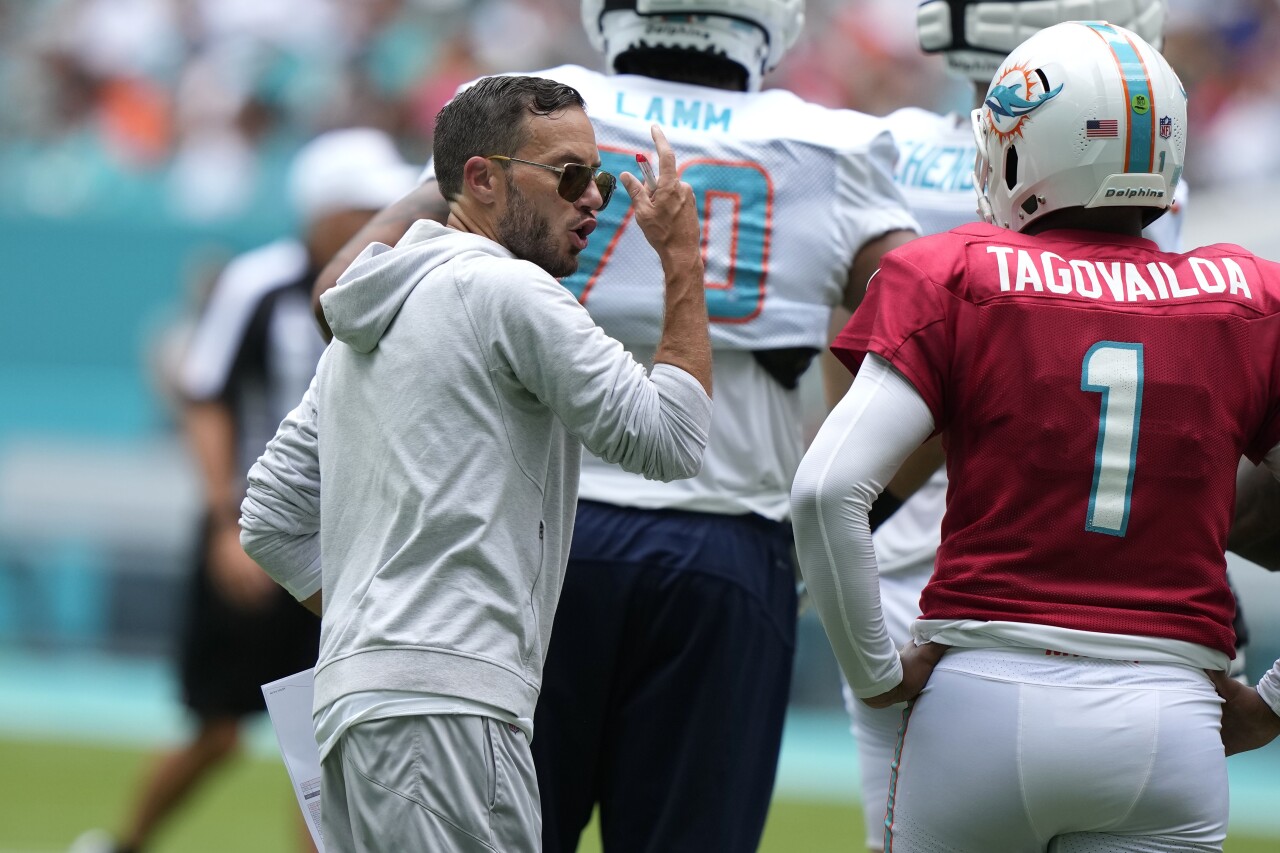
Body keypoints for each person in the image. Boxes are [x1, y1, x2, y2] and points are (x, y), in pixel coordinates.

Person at [308, 3, 920, 849]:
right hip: (727, 543)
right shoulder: (836, 146)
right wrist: (840, 515)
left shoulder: (534, 115)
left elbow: (346, 287)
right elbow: (938, 359)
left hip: (535, 539)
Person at [792, 21, 1280, 852]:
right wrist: (1274, 697)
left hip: (983, 691)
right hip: (1170, 714)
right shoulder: (1246, 297)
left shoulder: (956, 274)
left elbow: (825, 489)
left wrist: (876, 673)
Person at [238, 74, 715, 853]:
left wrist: (383, 625)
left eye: (595, 177)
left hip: (356, 709)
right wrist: (682, 262)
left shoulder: (372, 311)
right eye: (568, 175)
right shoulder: (511, 289)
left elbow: (270, 518)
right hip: (449, 712)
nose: (593, 198)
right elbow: (671, 439)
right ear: (482, 179)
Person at [68, 127, 418, 853]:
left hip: (350, 535)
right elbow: (206, 398)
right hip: (258, 528)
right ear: (324, 211)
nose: (382, 218)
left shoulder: (400, 280)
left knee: (334, 731)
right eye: (364, 205)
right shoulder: (259, 283)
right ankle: (124, 841)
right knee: (219, 732)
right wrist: (227, 525)